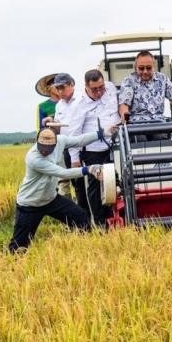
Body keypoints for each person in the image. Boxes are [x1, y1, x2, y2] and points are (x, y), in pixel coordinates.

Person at [8, 126, 113, 253]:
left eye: (48, 148)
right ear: (37, 142)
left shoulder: (61, 141)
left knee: (81, 218)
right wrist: (88, 169)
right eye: (42, 147)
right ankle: (12, 266)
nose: (45, 152)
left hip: (51, 199)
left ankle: (84, 250)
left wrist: (101, 133)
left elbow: (79, 140)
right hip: (30, 204)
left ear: (55, 143)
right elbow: (63, 173)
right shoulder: (33, 159)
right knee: (19, 246)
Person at [68, 69, 121, 227]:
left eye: (101, 87)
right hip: (93, 151)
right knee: (96, 185)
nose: (99, 92)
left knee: (118, 182)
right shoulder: (79, 105)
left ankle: (118, 217)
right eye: (95, 89)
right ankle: (100, 222)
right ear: (86, 87)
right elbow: (74, 133)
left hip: (115, 146)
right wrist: (75, 158)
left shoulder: (110, 88)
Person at [118, 50, 172, 124]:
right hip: (136, 124)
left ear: (154, 67)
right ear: (135, 68)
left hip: (158, 123)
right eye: (141, 68)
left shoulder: (162, 79)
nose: (145, 71)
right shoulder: (129, 81)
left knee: (163, 136)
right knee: (138, 137)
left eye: (148, 68)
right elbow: (124, 105)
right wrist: (125, 120)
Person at [50, 73, 83, 199]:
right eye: (57, 89)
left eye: (62, 87)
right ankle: (82, 215)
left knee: (85, 184)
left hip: (82, 148)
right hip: (66, 148)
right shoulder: (59, 105)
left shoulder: (81, 100)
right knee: (75, 183)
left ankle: (88, 215)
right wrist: (52, 123)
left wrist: (76, 157)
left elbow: (76, 128)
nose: (60, 91)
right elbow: (60, 127)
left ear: (72, 85)